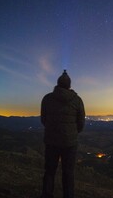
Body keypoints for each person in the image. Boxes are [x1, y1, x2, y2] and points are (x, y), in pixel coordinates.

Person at [40, 70, 85, 198]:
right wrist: (73, 133)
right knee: (68, 172)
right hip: (70, 143)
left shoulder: (47, 98)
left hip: (51, 141)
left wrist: (52, 130)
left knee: (50, 170)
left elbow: (43, 119)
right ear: (69, 85)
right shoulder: (77, 100)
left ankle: (47, 194)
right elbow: (81, 122)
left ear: (58, 83)